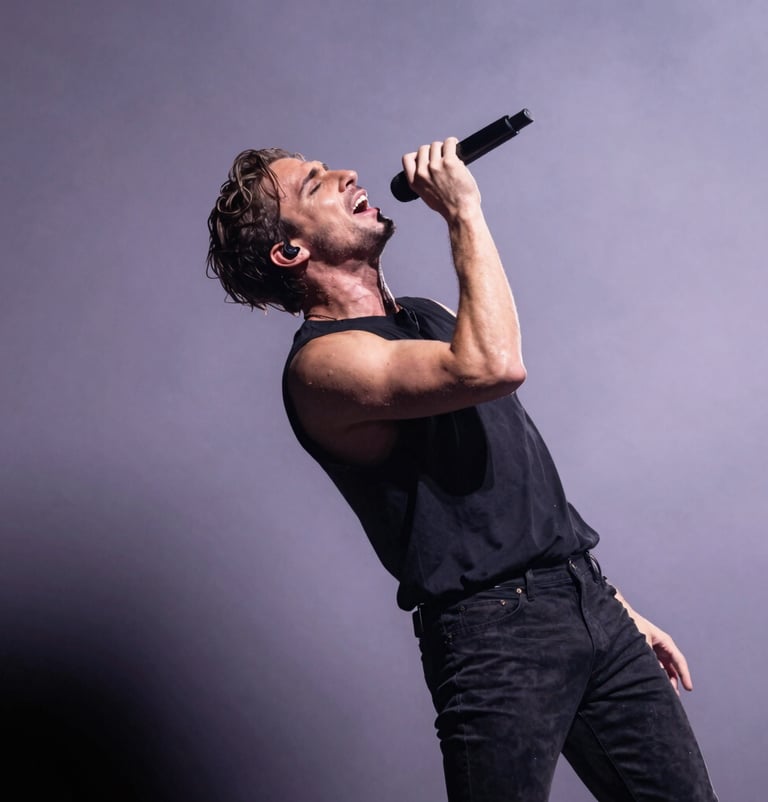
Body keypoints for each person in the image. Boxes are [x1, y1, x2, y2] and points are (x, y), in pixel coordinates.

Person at [206, 141, 718, 801]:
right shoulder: (325, 367)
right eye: (315, 184)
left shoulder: (425, 318)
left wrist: (611, 605)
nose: (346, 174)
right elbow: (492, 365)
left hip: (587, 602)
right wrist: (462, 211)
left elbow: (517, 476)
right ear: (290, 252)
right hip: (494, 635)